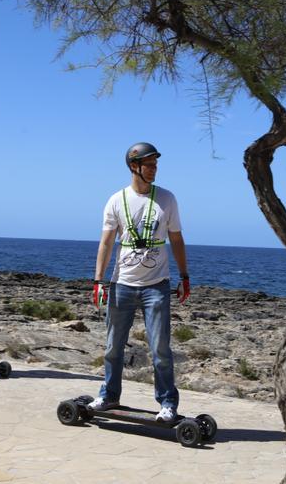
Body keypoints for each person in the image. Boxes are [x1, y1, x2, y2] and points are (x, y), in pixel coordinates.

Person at [90, 142, 191, 422]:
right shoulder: (115, 200)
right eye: (149, 164)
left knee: (160, 348)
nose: (154, 169)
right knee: (113, 346)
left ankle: (168, 402)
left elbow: (177, 238)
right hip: (122, 285)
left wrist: (184, 276)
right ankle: (109, 395)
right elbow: (107, 242)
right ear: (134, 166)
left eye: (156, 164)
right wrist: (99, 281)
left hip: (156, 286)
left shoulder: (167, 199)